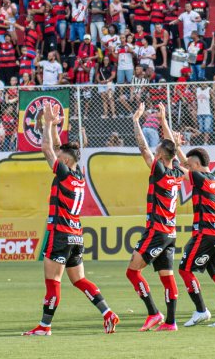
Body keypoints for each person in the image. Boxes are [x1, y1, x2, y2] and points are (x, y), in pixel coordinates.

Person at [24, 105, 120, 336]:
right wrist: (54, 126)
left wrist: (47, 123)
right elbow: (57, 148)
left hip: (60, 233)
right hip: (76, 234)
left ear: (65, 162)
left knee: (53, 281)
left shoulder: (64, 173)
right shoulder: (78, 175)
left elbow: (47, 149)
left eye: (60, 159)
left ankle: (45, 326)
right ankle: (107, 313)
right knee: (79, 279)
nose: (56, 159)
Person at [165, 104, 215, 328]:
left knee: (184, 270)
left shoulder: (199, 178)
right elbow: (186, 162)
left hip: (206, 233)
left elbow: (178, 164)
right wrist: (179, 147)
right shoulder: (214, 178)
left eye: (190, 165)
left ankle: (201, 310)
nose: (188, 166)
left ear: (195, 165)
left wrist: (173, 143)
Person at [127, 102, 185, 332]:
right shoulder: (176, 171)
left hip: (157, 231)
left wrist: (135, 121)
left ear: (159, 154)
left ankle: (154, 313)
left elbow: (143, 148)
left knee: (132, 272)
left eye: (157, 149)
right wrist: (164, 121)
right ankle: (171, 322)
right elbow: (172, 148)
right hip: (170, 232)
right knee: (167, 277)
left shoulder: (159, 170)